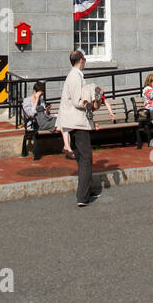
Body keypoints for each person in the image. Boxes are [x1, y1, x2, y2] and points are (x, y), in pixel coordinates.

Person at [58, 50, 108, 207]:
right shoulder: (74, 76)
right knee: (86, 158)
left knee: (81, 158)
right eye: (84, 59)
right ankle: (83, 197)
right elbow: (77, 101)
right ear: (81, 60)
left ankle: (85, 191)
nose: (85, 61)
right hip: (76, 123)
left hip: (74, 122)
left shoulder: (76, 75)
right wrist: (91, 104)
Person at [22, 80, 72, 157]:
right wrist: (36, 101)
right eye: (40, 94)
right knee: (62, 125)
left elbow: (45, 114)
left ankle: (67, 148)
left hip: (45, 120)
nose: (41, 96)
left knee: (63, 126)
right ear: (34, 91)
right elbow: (31, 114)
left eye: (42, 94)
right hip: (35, 123)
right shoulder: (26, 101)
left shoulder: (41, 100)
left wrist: (47, 110)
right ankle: (67, 149)